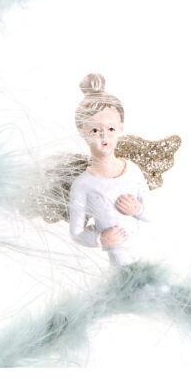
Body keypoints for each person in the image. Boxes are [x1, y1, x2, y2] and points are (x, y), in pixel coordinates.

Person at [69, 73, 149, 266]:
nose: (104, 136)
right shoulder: (83, 185)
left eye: (111, 129)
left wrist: (138, 209)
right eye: (95, 130)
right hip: (117, 260)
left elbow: (152, 213)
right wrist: (100, 239)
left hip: (142, 250)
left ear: (120, 128)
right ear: (82, 131)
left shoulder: (133, 171)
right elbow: (76, 232)